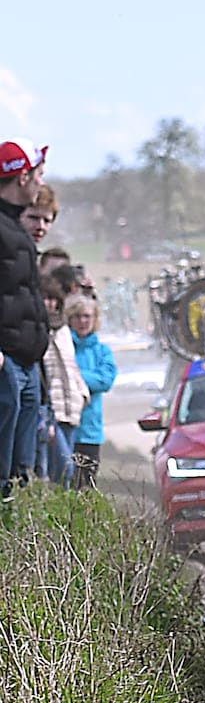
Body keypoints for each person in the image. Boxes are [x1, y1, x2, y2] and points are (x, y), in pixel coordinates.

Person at [0, 140, 49, 497]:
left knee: (22, 474)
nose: (41, 185)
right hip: (7, 362)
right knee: (3, 472)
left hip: (28, 361)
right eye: (39, 175)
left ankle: (21, 538)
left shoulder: (16, 227)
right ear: (22, 177)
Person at [64, 294, 113, 490]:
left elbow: (105, 380)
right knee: (65, 485)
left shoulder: (102, 351)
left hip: (90, 431)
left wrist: (74, 375)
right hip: (66, 428)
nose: (82, 321)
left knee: (87, 488)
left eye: (87, 316)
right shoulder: (64, 346)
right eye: (77, 316)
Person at [39, 277, 83, 484]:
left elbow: (71, 366)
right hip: (51, 408)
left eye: (53, 299)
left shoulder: (64, 330)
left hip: (71, 406)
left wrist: (82, 394)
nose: (49, 303)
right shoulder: (37, 329)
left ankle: (62, 512)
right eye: (44, 298)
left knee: (63, 473)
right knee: (65, 466)